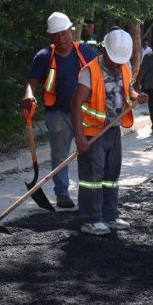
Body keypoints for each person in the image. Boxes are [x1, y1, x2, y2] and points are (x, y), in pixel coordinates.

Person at [70, 29, 148, 236]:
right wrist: (79, 136)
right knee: (92, 178)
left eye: (120, 61)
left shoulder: (125, 66)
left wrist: (136, 95)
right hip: (92, 133)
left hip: (113, 130)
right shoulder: (89, 72)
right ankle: (91, 220)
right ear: (104, 50)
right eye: (113, 61)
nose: (116, 65)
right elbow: (75, 104)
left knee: (111, 176)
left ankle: (110, 215)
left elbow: (127, 88)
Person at [23, 12, 98, 210]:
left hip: (85, 112)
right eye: (56, 35)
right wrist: (29, 95)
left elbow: (102, 76)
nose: (61, 38)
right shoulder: (44, 56)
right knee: (60, 154)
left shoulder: (87, 53)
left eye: (64, 33)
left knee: (88, 153)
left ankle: (89, 194)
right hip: (58, 113)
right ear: (50, 36)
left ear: (71, 31)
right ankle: (62, 193)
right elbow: (32, 80)